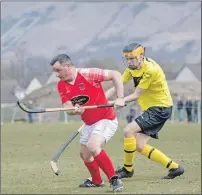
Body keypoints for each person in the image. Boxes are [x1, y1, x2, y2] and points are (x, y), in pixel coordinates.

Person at [105, 43, 184, 180]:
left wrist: (119, 100)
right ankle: (175, 168)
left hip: (160, 108)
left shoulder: (150, 70)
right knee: (139, 146)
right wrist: (101, 99)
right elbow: (118, 84)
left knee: (128, 131)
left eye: (132, 58)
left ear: (141, 56)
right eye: (127, 59)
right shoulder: (132, 67)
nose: (129, 62)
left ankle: (127, 170)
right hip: (152, 108)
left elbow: (136, 94)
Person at [50, 54, 125, 192]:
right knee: (85, 155)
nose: (56, 74)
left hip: (106, 118)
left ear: (67, 66)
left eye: (58, 70)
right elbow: (67, 107)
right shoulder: (61, 85)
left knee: (92, 146)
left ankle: (114, 179)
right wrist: (74, 111)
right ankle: (97, 180)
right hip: (89, 123)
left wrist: (120, 97)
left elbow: (115, 74)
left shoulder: (88, 74)